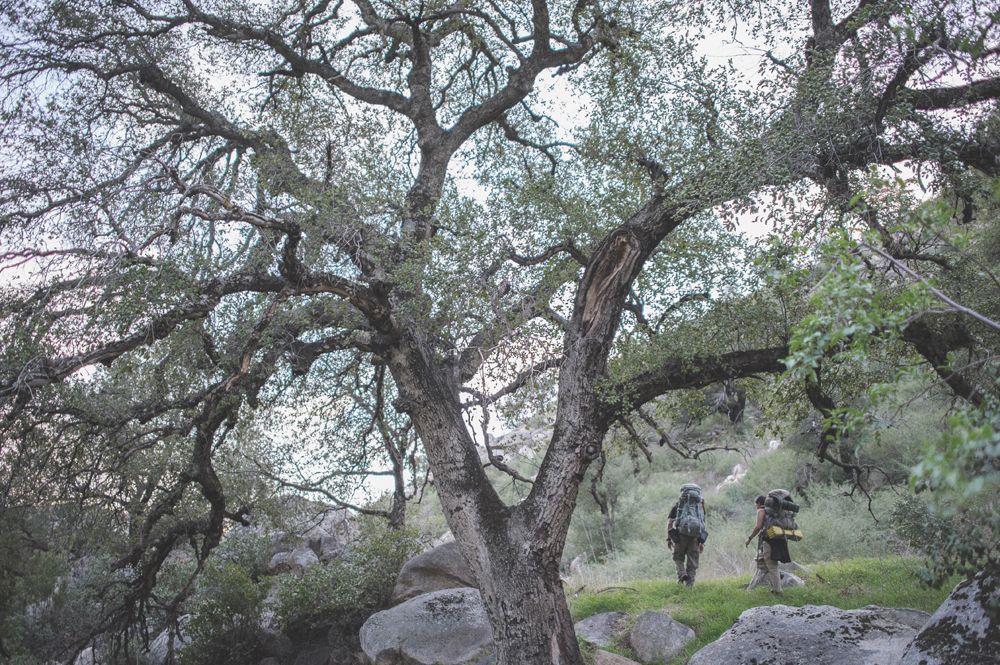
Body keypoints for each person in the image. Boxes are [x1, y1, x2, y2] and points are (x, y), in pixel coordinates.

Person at [745, 494, 791, 594]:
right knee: (762, 563)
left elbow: (758, 527)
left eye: (755, 504)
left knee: (773, 566)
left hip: (769, 541)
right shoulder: (775, 512)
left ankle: (778, 591)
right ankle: (769, 586)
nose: (755, 506)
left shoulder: (761, 511)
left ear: (759, 503)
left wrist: (749, 538)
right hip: (780, 539)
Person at [667, 485, 706, 587]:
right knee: (692, 562)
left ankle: (682, 573)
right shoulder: (700, 507)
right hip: (695, 538)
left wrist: (669, 538)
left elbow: (670, 523)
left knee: (678, 558)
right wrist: (701, 542)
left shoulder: (678, 506)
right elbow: (702, 523)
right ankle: (689, 586)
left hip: (680, 536)